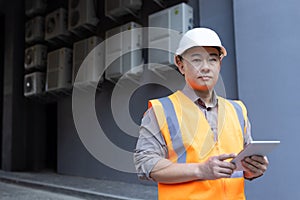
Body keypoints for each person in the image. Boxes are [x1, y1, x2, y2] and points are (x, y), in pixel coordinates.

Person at [134, 27, 269, 200]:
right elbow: (146, 164)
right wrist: (200, 170)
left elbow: (242, 167)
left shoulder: (238, 110)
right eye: (196, 60)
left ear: (219, 64)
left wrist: (253, 169)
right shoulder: (161, 110)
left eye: (212, 60)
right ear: (181, 64)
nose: (205, 67)